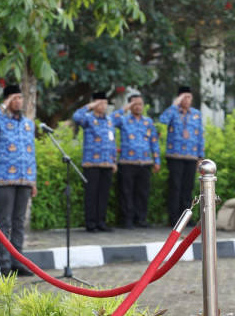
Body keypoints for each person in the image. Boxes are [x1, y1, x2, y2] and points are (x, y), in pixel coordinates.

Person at [0, 85, 37, 276]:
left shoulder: (28, 124)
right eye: (15, 98)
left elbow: (32, 153)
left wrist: (33, 181)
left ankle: (18, 261)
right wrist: (4, 104)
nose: (19, 101)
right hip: (5, 179)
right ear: (8, 100)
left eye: (20, 98)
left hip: (25, 179)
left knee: (19, 223)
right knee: (4, 222)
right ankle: (4, 264)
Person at [112, 94, 160, 229]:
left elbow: (154, 141)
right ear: (130, 105)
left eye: (140, 104)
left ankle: (141, 219)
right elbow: (110, 120)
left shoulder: (148, 121)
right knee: (126, 192)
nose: (138, 106)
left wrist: (157, 160)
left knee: (142, 192)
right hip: (128, 162)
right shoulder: (123, 120)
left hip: (145, 162)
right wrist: (124, 109)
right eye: (135, 104)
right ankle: (127, 220)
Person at [159, 86, 204, 226]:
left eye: (189, 97)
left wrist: (200, 157)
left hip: (191, 157)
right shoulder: (173, 112)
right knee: (175, 187)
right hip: (175, 156)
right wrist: (175, 104)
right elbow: (162, 120)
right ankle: (174, 219)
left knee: (187, 188)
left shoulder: (196, 114)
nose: (187, 100)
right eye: (184, 97)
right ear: (179, 98)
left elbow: (200, 135)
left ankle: (186, 219)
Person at [73, 91, 117, 233]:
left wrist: (114, 160)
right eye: (100, 103)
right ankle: (91, 223)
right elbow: (76, 116)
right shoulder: (88, 119)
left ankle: (101, 222)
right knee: (92, 194)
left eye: (105, 103)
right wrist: (90, 106)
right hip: (91, 163)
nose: (103, 106)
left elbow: (112, 142)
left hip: (107, 163)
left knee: (104, 194)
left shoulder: (109, 120)